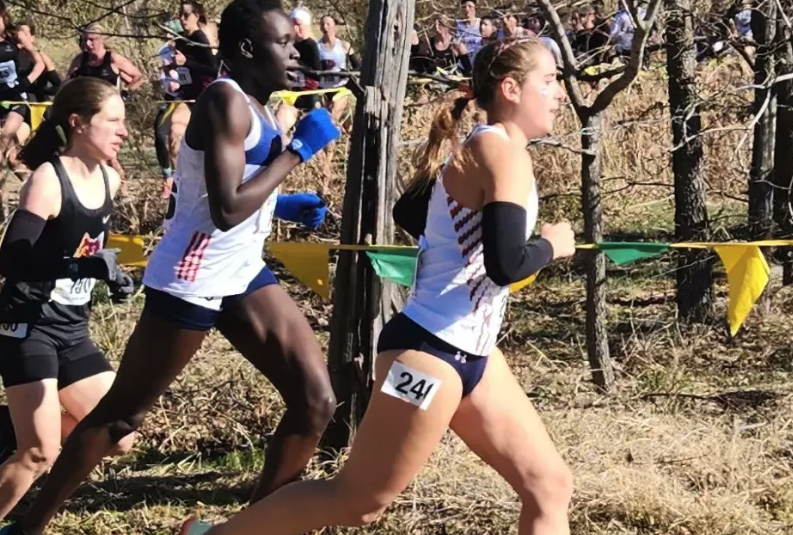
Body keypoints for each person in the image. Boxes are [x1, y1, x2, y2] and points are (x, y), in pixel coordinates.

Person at [179, 37, 576, 535]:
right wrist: (554, 245)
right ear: (512, 88)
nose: (560, 93)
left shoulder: (488, 147)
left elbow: (411, 211)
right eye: (550, 81)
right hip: (430, 354)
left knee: (549, 485)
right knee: (357, 502)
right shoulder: (499, 151)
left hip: (471, 351)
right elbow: (507, 264)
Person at [0, 0, 341, 533]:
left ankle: (251, 528)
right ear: (248, 50)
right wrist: (297, 152)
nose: (297, 53)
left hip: (242, 270)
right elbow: (226, 209)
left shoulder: (259, 104)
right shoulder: (223, 102)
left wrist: (284, 204)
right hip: (195, 275)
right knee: (122, 416)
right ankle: (28, 526)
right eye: (284, 43)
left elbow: (216, 192)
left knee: (316, 400)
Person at [0, 76, 136, 522]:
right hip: (28, 325)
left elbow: (88, 251)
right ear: (78, 123)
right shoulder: (47, 181)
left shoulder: (110, 179)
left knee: (118, 435)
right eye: (113, 121)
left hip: (72, 329)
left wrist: (113, 277)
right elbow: (13, 261)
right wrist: (83, 268)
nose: (124, 131)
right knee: (39, 452)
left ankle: (15, 428)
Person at [164, 1, 219, 194]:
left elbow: (213, 70)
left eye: (186, 15)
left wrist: (187, 62)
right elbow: (181, 68)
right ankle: (179, 185)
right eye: (180, 15)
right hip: (186, 98)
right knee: (175, 135)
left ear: (197, 16)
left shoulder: (199, 38)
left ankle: (207, 186)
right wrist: (171, 67)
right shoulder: (180, 40)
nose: (182, 19)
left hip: (204, 98)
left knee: (207, 146)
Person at [0, 1, 43, 219]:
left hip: (18, 100)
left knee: (5, 136)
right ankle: (33, 183)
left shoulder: (14, 38)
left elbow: (40, 63)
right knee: (10, 156)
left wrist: (26, 82)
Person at [316, 14, 359, 178]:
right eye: (322, 24)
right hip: (322, 90)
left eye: (328, 23)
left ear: (334, 26)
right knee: (343, 127)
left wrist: (347, 74)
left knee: (330, 122)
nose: (325, 27)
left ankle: (326, 169)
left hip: (341, 89)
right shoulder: (316, 46)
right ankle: (351, 150)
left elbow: (358, 66)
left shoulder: (345, 45)